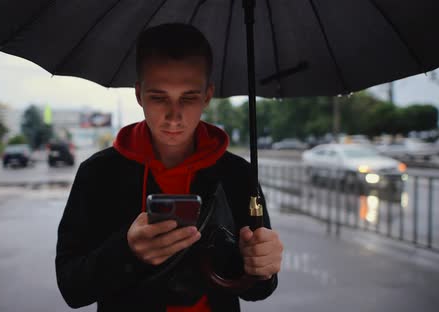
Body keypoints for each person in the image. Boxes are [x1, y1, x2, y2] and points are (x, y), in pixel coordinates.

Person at [56, 23, 283, 312]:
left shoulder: (237, 173)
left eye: (188, 97)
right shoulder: (99, 174)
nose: (174, 117)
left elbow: (258, 289)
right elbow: (71, 288)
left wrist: (264, 267)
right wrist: (127, 251)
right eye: (159, 97)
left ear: (207, 95)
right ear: (139, 95)